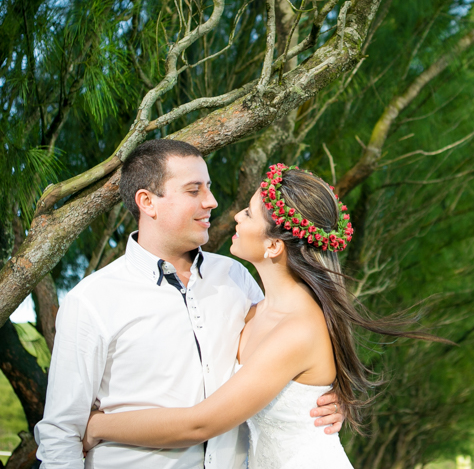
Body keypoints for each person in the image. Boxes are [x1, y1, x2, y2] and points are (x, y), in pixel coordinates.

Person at [81, 163, 438, 468]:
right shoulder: (252, 304)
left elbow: (200, 425)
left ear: (273, 245)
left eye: (249, 213)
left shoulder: (298, 329)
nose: (235, 214)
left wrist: (99, 426)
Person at [35, 142, 343, 469]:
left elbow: (291, 355)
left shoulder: (236, 278)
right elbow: (60, 433)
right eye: (194, 190)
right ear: (147, 201)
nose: (212, 202)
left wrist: (322, 395)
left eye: (208, 187)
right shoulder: (92, 300)